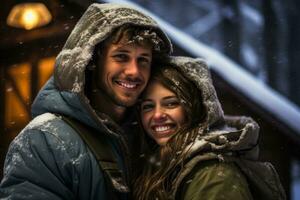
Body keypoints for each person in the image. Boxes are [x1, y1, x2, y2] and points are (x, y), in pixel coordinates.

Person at [0, 3, 172, 200]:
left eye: (143, 60)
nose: (134, 71)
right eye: (121, 56)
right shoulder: (45, 141)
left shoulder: (151, 138)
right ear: (92, 61)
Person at [133, 56, 286, 200]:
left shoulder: (213, 174)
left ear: (195, 109)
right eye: (148, 106)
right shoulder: (158, 163)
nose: (157, 115)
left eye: (171, 103)